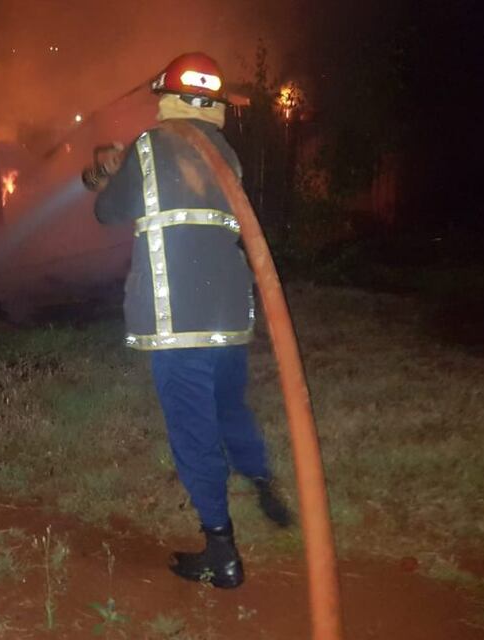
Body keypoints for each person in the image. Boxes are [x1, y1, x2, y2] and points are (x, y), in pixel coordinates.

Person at [88, 52, 290, 589]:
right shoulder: (226, 151)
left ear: (167, 96)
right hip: (227, 311)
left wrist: (111, 172)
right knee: (228, 406)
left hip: (176, 317)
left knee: (192, 426)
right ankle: (263, 480)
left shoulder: (149, 147)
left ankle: (221, 550)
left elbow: (107, 211)